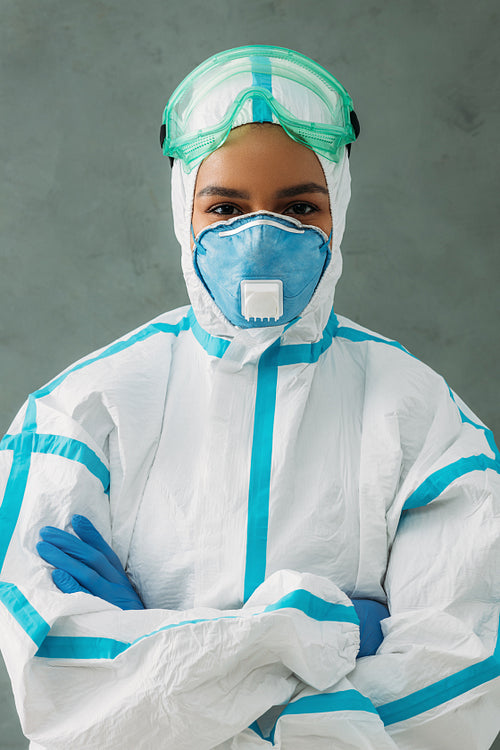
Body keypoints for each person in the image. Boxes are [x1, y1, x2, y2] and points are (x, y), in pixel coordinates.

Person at [0, 44, 498, 750]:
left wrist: (161, 645)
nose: (261, 240)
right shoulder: (80, 416)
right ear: (184, 210)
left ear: (339, 209)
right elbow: (61, 694)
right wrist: (318, 631)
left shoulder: (425, 423)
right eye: (226, 207)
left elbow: (453, 701)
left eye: (299, 207)